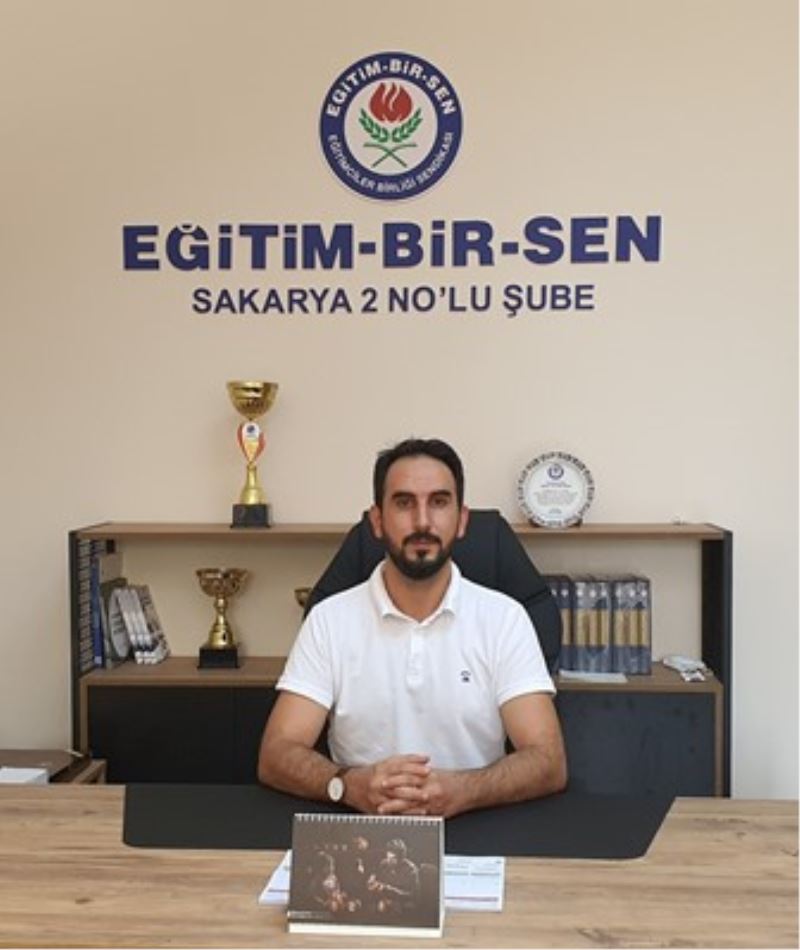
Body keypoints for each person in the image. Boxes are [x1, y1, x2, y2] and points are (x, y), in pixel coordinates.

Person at [258, 438, 567, 817]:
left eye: (439, 502)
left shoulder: (505, 619)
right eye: (404, 503)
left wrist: (464, 791)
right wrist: (348, 786)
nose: (422, 522)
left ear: (462, 519)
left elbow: (548, 761)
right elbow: (276, 753)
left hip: (475, 823)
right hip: (361, 824)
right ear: (377, 520)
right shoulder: (329, 620)